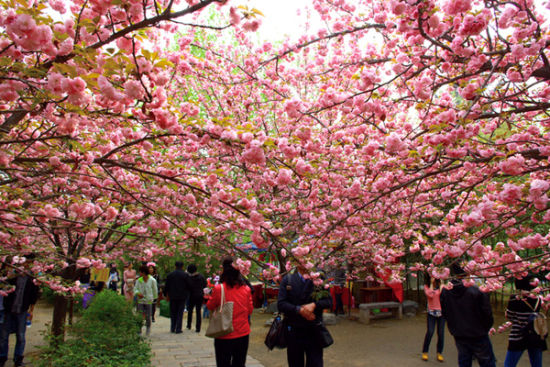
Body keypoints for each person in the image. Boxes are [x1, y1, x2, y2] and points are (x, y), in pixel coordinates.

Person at [277, 262, 333, 367]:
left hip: (314, 330)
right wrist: (300, 310)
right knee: (295, 363)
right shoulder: (288, 279)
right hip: (294, 330)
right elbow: (281, 304)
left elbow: (329, 302)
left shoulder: (319, 278)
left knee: (315, 363)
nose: (303, 262)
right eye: (299, 258)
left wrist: (314, 305)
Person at [440, 264, 495, 367]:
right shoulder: (477, 290)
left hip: (459, 333)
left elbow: (445, 312)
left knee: (464, 361)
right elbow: (487, 312)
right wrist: (485, 328)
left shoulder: (446, 291)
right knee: (487, 361)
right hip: (478, 333)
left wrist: (454, 327)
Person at [207, 257, 253, 367]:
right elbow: (250, 310)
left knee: (223, 362)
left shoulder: (219, 289)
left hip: (224, 333)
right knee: (239, 363)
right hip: (242, 333)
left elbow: (210, 305)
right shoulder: (246, 289)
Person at [0, 259, 40, 367]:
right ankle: (2, 357)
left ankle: (18, 359)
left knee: (21, 336)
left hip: (22, 310)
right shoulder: (12, 277)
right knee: (3, 336)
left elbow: (34, 295)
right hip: (9, 309)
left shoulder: (32, 279)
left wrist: (31, 310)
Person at [504, 275, 547, 367]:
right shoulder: (538, 298)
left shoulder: (514, 298)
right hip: (535, 334)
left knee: (509, 364)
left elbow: (510, 317)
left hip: (518, 335)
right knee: (536, 364)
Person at [421, 274, 445, 362]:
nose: (434, 278)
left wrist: (442, 284)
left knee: (441, 333)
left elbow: (444, 295)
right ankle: (425, 352)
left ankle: (439, 353)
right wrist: (431, 284)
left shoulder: (441, 286)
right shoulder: (426, 287)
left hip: (441, 313)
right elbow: (430, 295)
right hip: (431, 312)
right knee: (430, 332)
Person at [164, 261, 190, 334]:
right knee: (180, 312)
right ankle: (178, 328)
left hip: (172, 296)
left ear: (175, 266)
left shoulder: (170, 275)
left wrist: (166, 294)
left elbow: (166, 286)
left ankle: (172, 327)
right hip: (182, 296)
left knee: (173, 312)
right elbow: (189, 285)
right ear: (182, 266)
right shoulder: (185, 275)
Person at [134, 264, 158, 336]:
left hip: (149, 300)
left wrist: (154, 299)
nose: (140, 274)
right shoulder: (139, 280)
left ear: (143, 272)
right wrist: (138, 293)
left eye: (140, 272)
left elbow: (154, 290)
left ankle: (148, 328)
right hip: (140, 300)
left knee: (148, 316)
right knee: (139, 315)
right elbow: (135, 289)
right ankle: (139, 330)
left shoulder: (152, 280)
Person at [186, 264, 206, 333]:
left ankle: (189, 325)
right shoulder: (201, 276)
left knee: (190, 310)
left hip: (191, 295)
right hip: (200, 295)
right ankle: (198, 327)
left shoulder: (189, 277)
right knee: (198, 311)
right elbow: (205, 285)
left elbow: (188, 286)